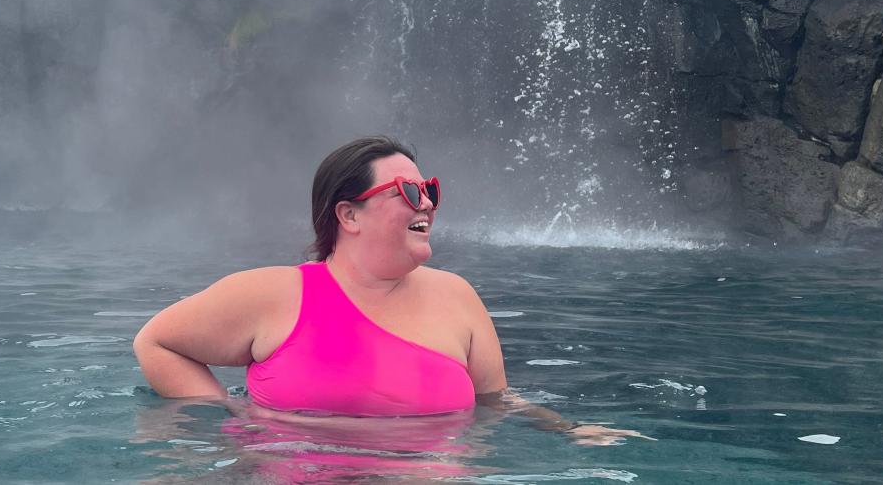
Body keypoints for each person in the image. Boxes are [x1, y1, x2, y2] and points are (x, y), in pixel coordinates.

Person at [133, 135, 645, 445]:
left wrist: (568, 429)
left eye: (430, 191)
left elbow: (497, 402)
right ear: (348, 214)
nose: (425, 203)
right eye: (406, 191)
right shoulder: (273, 294)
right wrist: (230, 414)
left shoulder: (457, 297)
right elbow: (155, 342)